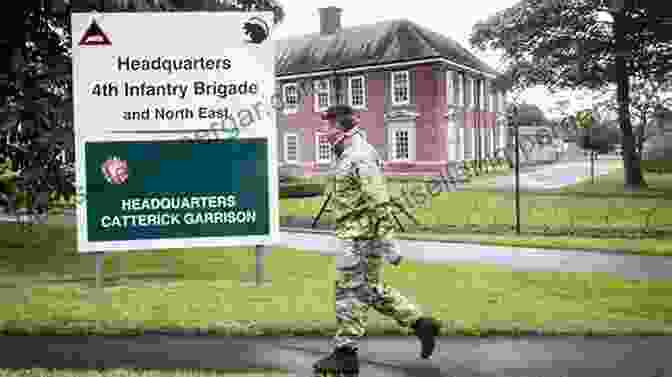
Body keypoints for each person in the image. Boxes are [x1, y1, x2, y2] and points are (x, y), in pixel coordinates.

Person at [312, 104, 441, 377]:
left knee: (348, 292)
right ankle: (420, 323)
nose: (324, 132)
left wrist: (389, 242)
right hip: (355, 234)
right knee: (368, 290)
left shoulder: (359, 156)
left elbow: (379, 201)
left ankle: (345, 354)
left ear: (342, 128)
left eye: (328, 126)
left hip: (361, 237)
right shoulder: (347, 154)